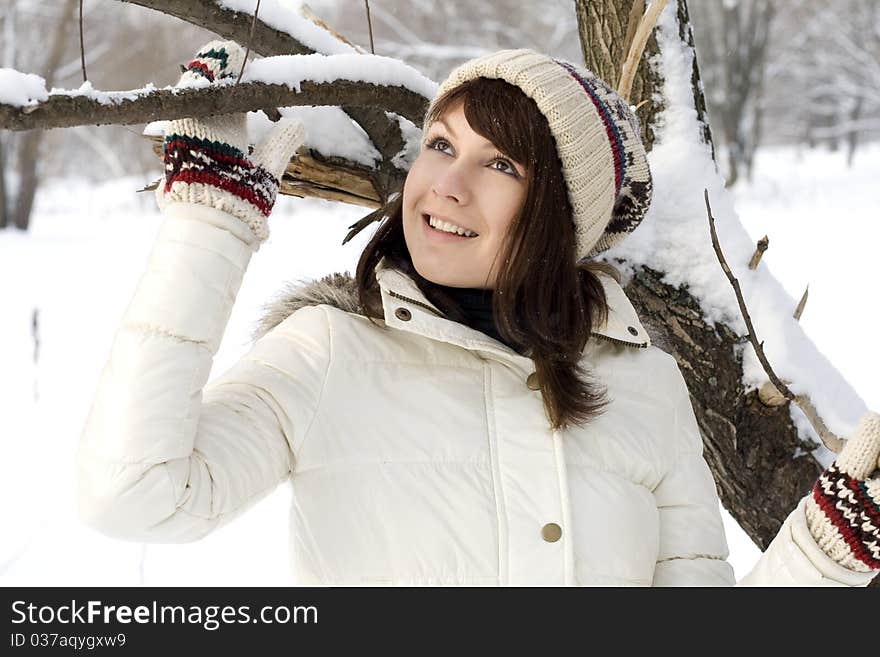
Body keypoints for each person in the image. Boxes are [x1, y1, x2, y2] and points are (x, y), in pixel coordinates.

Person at [76, 40, 880, 586]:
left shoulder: (646, 387)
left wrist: (826, 553)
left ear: (563, 217)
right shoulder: (328, 350)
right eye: (439, 145)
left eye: (500, 163)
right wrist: (210, 219)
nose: (447, 187)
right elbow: (133, 494)